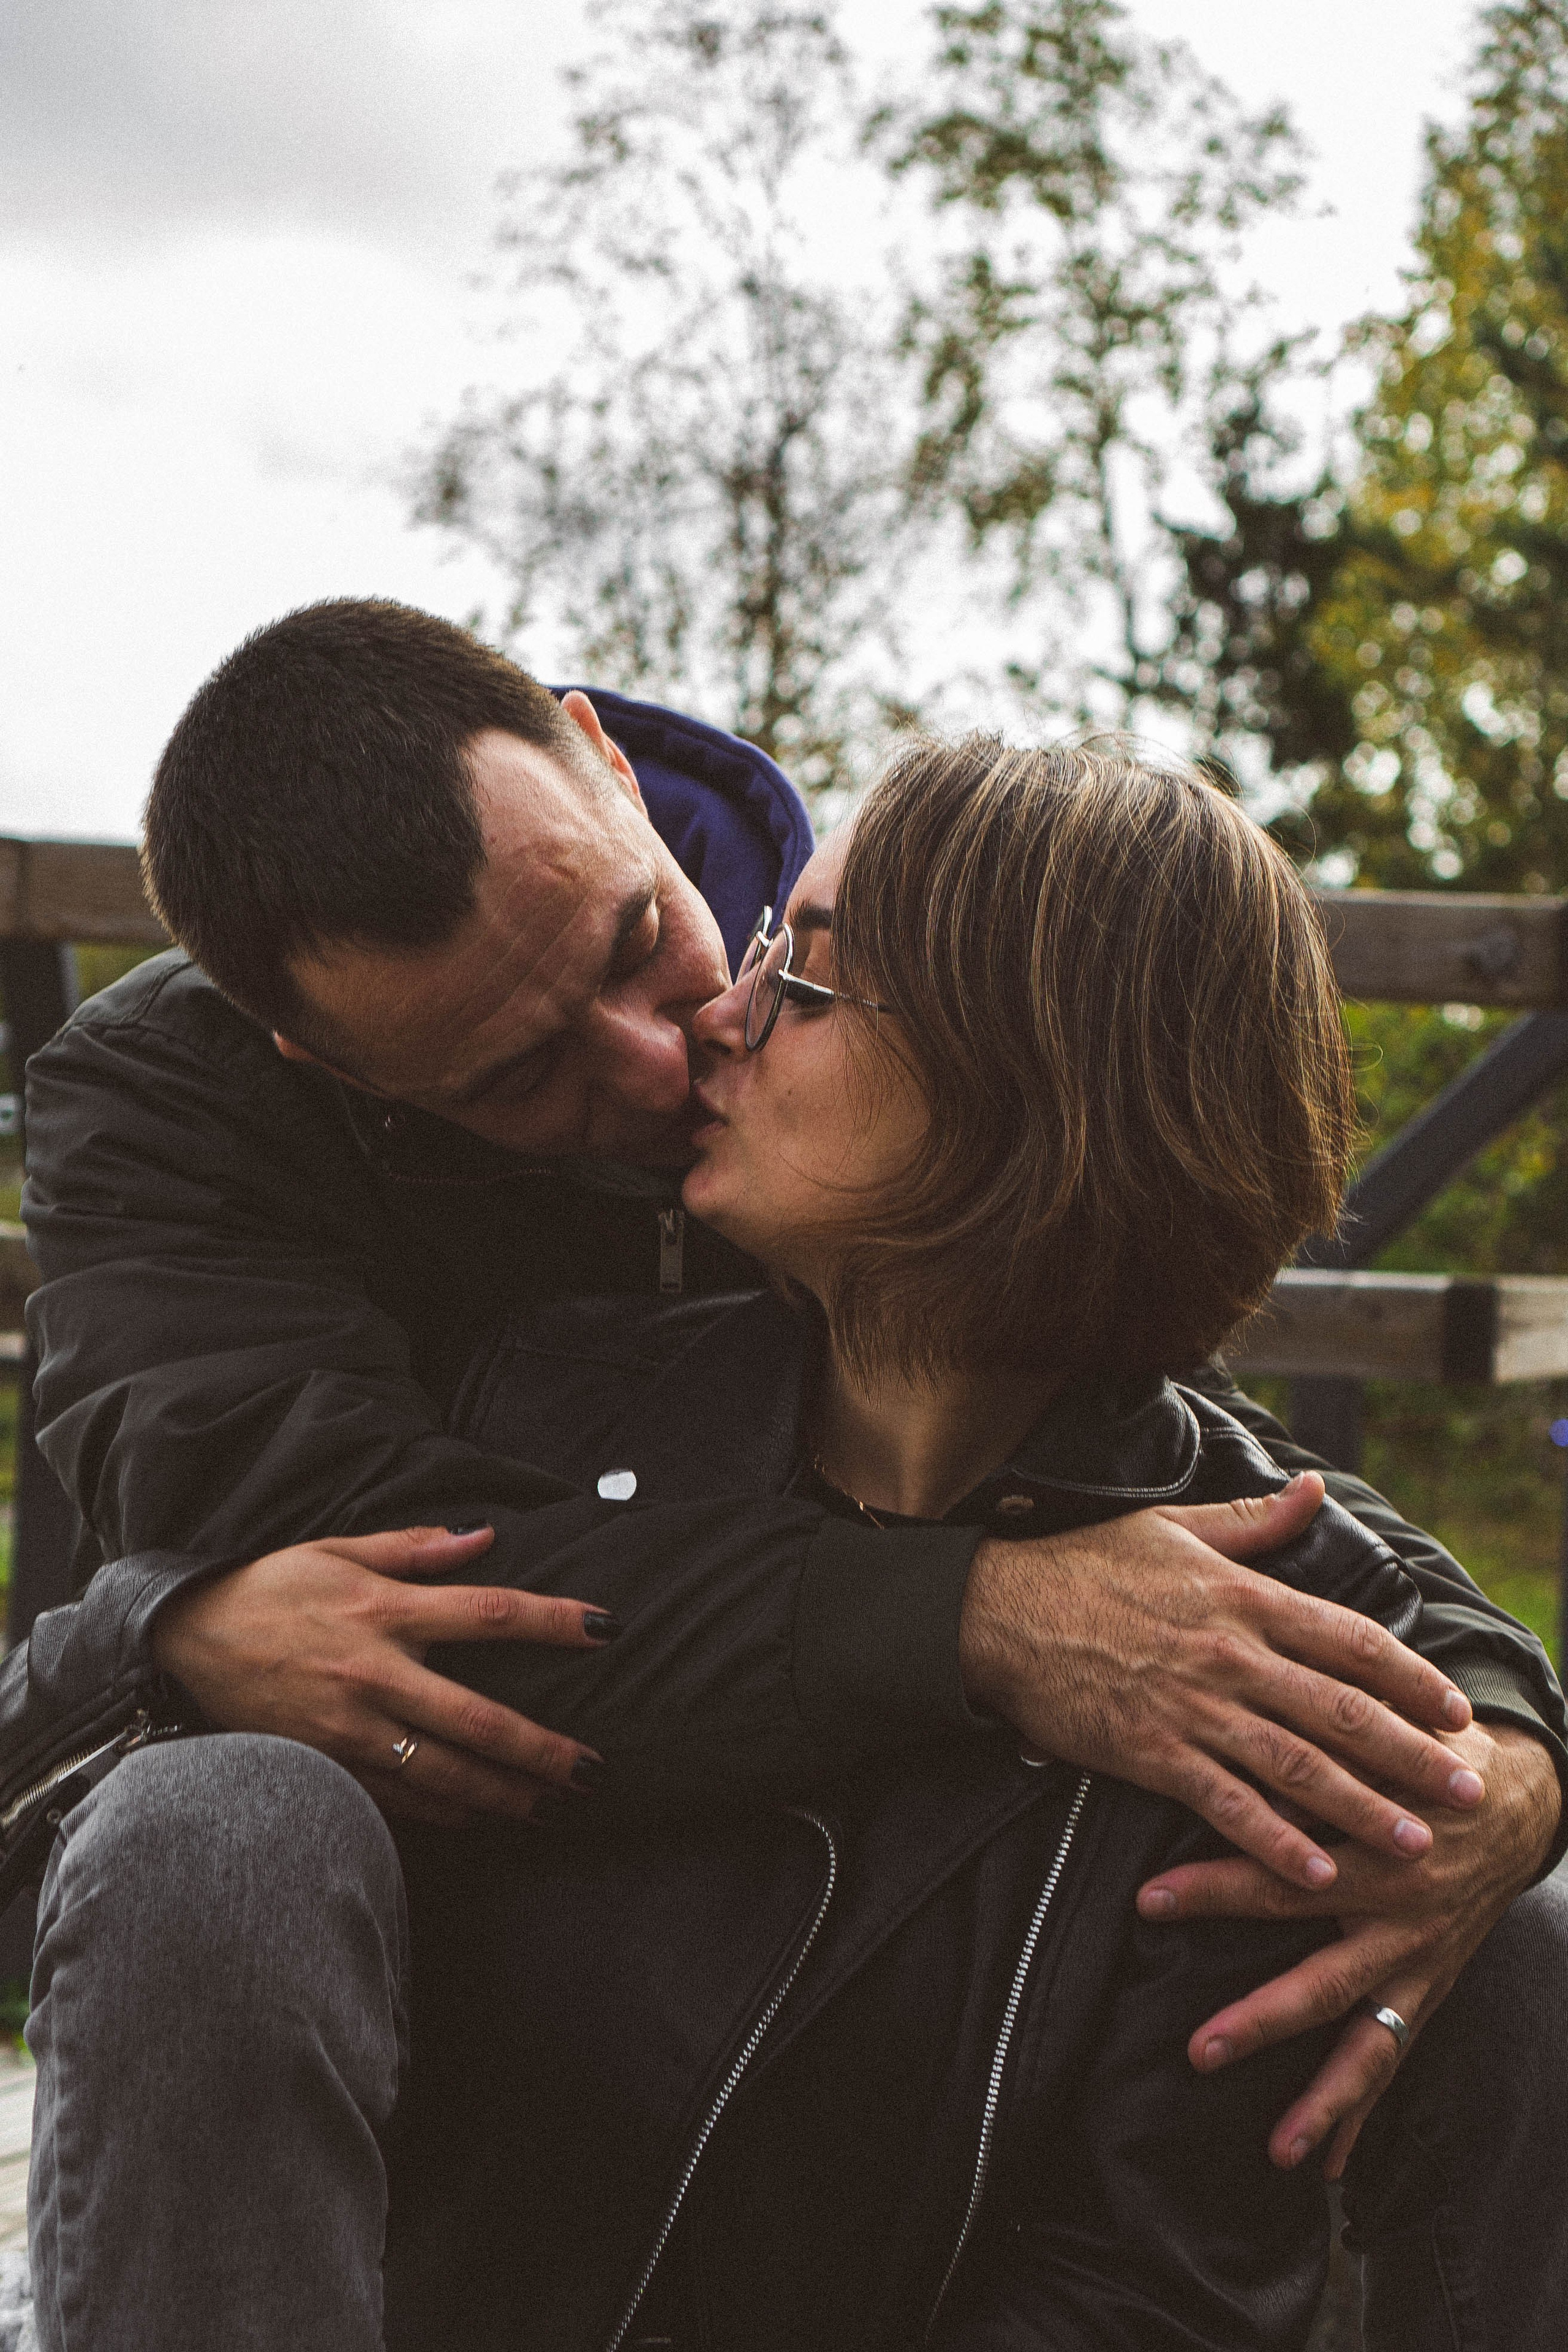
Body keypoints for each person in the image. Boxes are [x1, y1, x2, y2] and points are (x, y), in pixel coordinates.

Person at [3, 603, 1562, 2346]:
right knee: (215, 1826)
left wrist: (1502, 1743)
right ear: (341, 1071)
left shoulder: (1171, 1539)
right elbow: (265, 1615)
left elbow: (1152, 2273)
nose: (681, 1049)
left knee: (1526, 1934)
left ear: (604, 760)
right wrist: (177, 1637)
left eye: (675, 947)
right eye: (518, 1071)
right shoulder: (241, 1176)